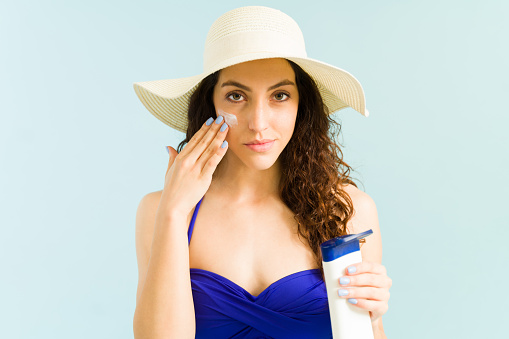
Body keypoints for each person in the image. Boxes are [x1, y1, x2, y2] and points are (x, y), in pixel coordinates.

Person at [132, 6, 392, 339]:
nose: (258, 123)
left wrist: (370, 320)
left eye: (279, 96)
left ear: (302, 105)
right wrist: (174, 211)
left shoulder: (347, 209)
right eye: (236, 96)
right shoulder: (159, 211)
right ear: (210, 103)